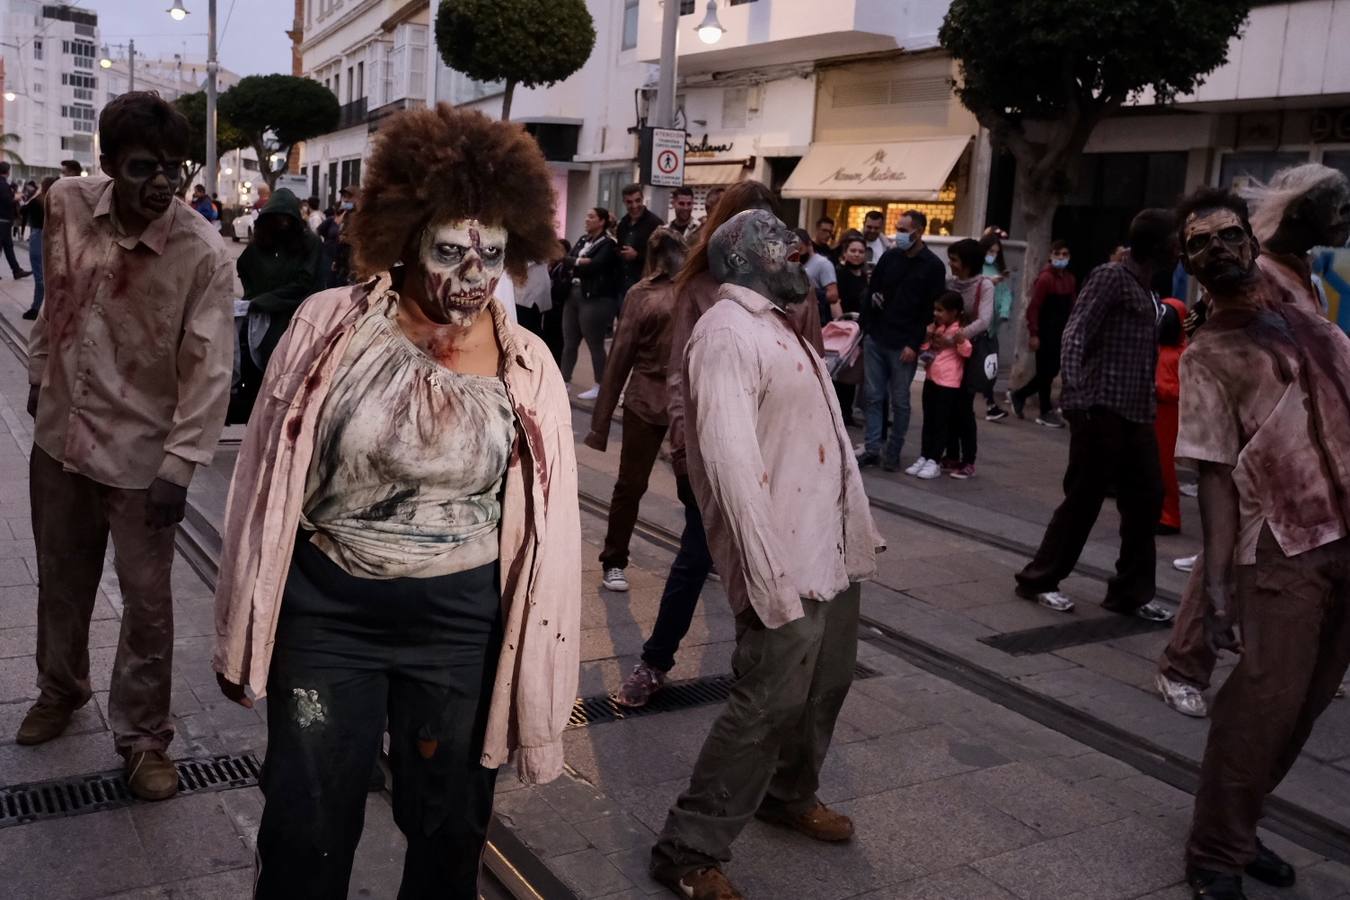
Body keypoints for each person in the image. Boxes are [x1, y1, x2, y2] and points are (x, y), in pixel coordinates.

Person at [212, 105, 579, 899]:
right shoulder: (326, 328)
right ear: (406, 238)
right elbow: (263, 481)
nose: (472, 276)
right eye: (449, 250)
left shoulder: (530, 365)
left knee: (450, 833)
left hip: (458, 627)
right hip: (326, 618)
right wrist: (243, 619)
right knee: (304, 831)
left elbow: (551, 529)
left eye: (492, 254)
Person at [649, 209, 882, 900]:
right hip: (782, 558)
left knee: (826, 685)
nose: (800, 259)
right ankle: (688, 848)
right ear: (749, 258)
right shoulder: (724, 336)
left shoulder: (778, 325)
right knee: (765, 703)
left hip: (829, 551)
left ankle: (788, 794)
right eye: (786, 248)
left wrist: (856, 532)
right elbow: (727, 468)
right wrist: (766, 574)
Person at [18, 92, 235, 801]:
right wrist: (36, 374)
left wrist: (181, 466)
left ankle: (143, 739)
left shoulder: (202, 254)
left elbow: (211, 370)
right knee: (61, 577)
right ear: (109, 163)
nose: (163, 184)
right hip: (60, 438)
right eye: (144, 167)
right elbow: (57, 297)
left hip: (143, 461)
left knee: (147, 606)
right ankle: (61, 688)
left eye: (174, 168)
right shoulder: (66, 204)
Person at [1173, 187, 1350, 900]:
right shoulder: (1208, 353)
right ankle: (1214, 850)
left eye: (1227, 234)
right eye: (1199, 243)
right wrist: (1214, 592)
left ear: (1252, 240)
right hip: (1281, 545)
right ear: (1189, 264)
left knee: (1307, 703)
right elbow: (1213, 478)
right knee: (1264, 702)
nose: (1217, 248)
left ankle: (1241, 829)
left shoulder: (1307, 318)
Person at [614, 179, 824, 709]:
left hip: (782, 444)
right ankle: (656, 660)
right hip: (718, 445)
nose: (759, 227)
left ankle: (764, 663)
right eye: (746, 216)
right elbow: (680, 373)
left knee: (781, 555)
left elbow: (815, 367)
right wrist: (684, 449)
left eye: (766, 216)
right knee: (696, 554)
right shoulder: (701, 285)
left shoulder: (797, 287)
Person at [1156, 163, 1350, 720]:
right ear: (1304, 209)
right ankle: (1183, 664)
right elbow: (1209, 342)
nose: (1346, 221)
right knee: (1223, 557)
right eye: (1339, 208)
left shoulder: (1297, 270)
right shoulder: (1254, 271)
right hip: (1253, 452)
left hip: (1303, 454)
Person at [1012, 209, 1178, 622]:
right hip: (1100, 407)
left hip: (1137, 411)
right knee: (1084, 497)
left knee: (1146, 499)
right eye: (1176, 240)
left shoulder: (1147, 287)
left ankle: (1130, 593)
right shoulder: (1111, 277)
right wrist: (1076, 397)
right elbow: (1076, 332)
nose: (1181, 248)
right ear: (1156, 245)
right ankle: (1039, 578)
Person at [585, 228, 687, 593]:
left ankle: (697, 555)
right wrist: (599, 425)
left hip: (685, 402)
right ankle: (614, 559)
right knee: (631, 484)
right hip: (646, 397)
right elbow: (620, 358)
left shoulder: (699, 289)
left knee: (695, 489)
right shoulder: (641, 294)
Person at [857, 210, 947, 472]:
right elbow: (873, 289)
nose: (898, 234)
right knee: (873, 397)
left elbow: (931, 311)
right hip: (878, 336)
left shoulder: (932, 266)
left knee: (900, 401)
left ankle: (893, 451)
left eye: (903, 229)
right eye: (897, 228)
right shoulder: (891, 256)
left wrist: (914, 343)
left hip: (903, 344)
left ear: (918, 232)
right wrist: (867, 326)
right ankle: (873, 447)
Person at [228, 188, 325, 424]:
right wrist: (254, 299)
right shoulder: (262, 244)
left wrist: (266, 300)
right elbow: (246, 266)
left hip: (295, 313)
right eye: (276, 218)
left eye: (286, 218)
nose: (281, 223)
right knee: (253, 360)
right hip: (261, 315)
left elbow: (306, 282)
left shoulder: (308, 243)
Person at [943, 238, 995, 479]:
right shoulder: (950, 283)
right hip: (950, 353)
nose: (951, 264)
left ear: (967, 262)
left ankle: (968, 459)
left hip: (971, 351)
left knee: (964, 406)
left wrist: (959, 335)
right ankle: (951, 454)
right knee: (949, 404)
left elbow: (984, 320)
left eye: (954, 260)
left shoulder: (985, 286)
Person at [1010, 241, 1077, 427]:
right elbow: (1034, 308)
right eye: (1058, 254)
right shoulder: (1045, 279)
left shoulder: (1069, 279)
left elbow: (1072, 305)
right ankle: (1044, 410)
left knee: (1051, 371)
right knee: (1046, 372)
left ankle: (1020, 395)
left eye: (1065, 254)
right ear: (1051, 255)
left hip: (1060, 333)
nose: (1061, 258)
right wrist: (1034, 333)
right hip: (1045, 331)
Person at [908, 291, 972, 480]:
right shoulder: (937, 329)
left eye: (941, 310)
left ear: (954, 313)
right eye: (935, 310)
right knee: (928, 420)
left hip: (948, 383)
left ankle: (934, 460)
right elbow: (926, 353)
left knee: (940, 422)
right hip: (931, 379)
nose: (936, 314)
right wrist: (927, 339)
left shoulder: (958, 330)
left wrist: (960, 342)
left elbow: (967, 351)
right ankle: (924, 455)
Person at [561, 207, 621, 400]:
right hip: (574, 292)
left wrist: (577, 262)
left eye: (591, 217)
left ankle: (600, 384)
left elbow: (596, 265)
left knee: (594, 342)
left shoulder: (608, 243)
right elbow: (568, 259)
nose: (587, 220)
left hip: (595, 297)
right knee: (570, 340)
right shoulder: (583, 240)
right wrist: (580, 261)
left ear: (601, 221)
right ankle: (565, 380)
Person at [1154, 298, 1187, 536]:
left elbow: (1184, 390)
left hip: (1168, 417)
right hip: (1152, 413)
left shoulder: (1182, 355)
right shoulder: (1157, 349)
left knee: (1165, 468)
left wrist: (1159, 389)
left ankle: (1170, 516)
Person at [831, 235, 870, 423]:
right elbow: (835, 301)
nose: (856, 254)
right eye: (853, 251)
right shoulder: (840, 274)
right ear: (845, 253)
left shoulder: (864, 276)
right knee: (839, 372)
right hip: (843, 329)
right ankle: (837, 413)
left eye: (861, 252)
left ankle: (847, 412)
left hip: (859, 330)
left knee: (852, 374)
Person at [979, 232, 1013, 420]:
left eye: (995, 252)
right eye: (990, 251)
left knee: (990, 366)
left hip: (992, 328)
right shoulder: (978, 268)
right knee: (982, 367)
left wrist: (1004, 312)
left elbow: (1005, 294)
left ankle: (990, 402)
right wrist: (988, 282)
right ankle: (990, 403)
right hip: (979, 326)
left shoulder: (997, 268)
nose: (992, 254)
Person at [616, 183, 663, 299]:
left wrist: (637, 255)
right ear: (624, 202)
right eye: (629, 202)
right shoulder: (623, 223)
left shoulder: (655, 223)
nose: (634, 205)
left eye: (637, 200)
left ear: (642, 199)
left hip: (645, 285)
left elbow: (661, 255)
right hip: (623, 284)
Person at [19, 176, 57, 320]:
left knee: (39, 274)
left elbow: (23, 210)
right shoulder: (56, 202)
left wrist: (34, 195)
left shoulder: (37, 200)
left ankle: (36, 308)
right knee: (49, 273)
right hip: (52, 236)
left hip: (38, 236)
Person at [795, 227, 841, 325]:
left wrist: (811, 294)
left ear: (809, 244)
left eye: (800, 249)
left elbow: (833, 295)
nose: (797, 252)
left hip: (817, 319)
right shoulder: (795, 263)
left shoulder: (823, 263)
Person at [0, 162, 32, 280]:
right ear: (7, 171)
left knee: (8, 247)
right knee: (6, 246)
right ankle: (16, 270)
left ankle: (16, 270)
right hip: (3, 220)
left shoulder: (4, 184)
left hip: (4, 221)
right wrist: (17, 197)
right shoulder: (2, 184)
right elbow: (7, 200)